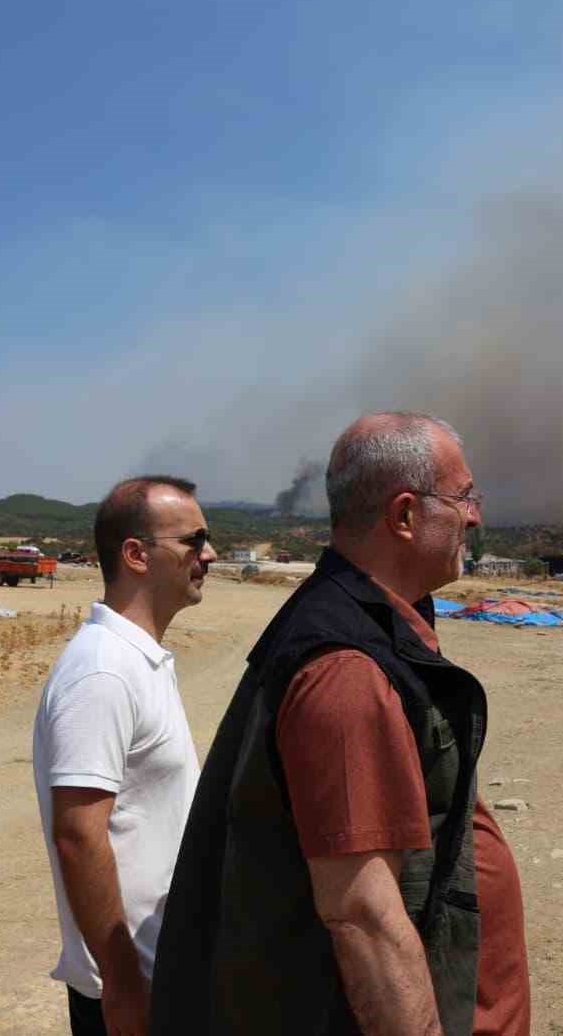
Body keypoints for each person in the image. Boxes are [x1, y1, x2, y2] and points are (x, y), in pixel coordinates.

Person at [151, 412, 531, 1036]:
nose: (475, 515)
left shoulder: (380, 627)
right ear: (404, 516)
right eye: (463, 497)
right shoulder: (347, 669)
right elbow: (364, 917)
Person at [32, 476, 214, 1036]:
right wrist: (124, 985)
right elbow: (80, 834)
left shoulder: (137, 659)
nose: (208, 554)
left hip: (164, 972)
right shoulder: (104, 671)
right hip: (140, 986)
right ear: (136, 555)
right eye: (193, 540)